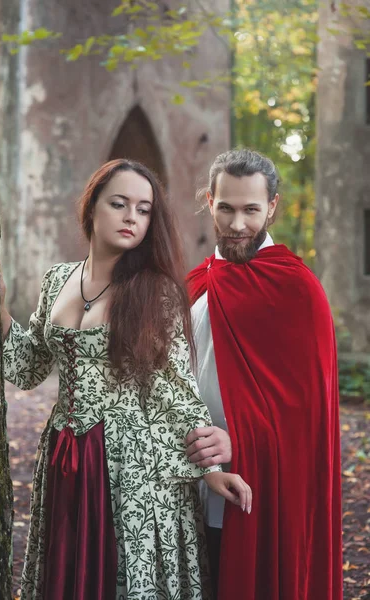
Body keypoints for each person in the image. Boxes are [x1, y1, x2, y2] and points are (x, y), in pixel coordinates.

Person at [0, 158, 252, 600]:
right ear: (92, 207)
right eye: (119, 203)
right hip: (65, 452)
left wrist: (211, 469)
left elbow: (177, 387)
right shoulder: (58, 279)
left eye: (143, 208)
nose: (132, 216)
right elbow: (28, 368)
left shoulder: (156, 290)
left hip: (134, 466)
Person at [185, 149, 342, 600]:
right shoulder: (196, 283)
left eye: (251, 210)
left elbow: (308, 416)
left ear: (271, 206)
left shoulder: (297, 289)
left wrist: (240, 442)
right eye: (227, 208)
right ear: (209, 201)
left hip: (264, 490)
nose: (237, 224)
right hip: (188, 484)